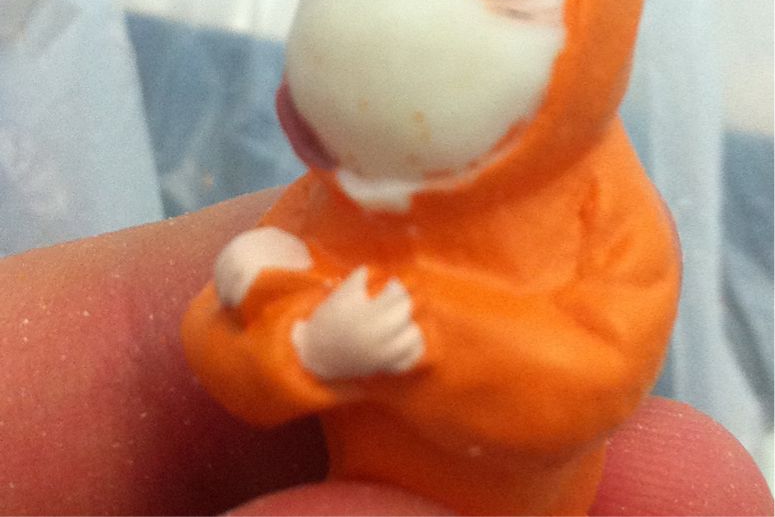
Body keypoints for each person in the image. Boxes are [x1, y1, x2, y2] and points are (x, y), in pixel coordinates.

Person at [0, 189, 771, 517]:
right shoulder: (348, 191)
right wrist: (304, 342)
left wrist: (451, 343)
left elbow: (597, 373)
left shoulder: (597, 201)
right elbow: (221, 352)